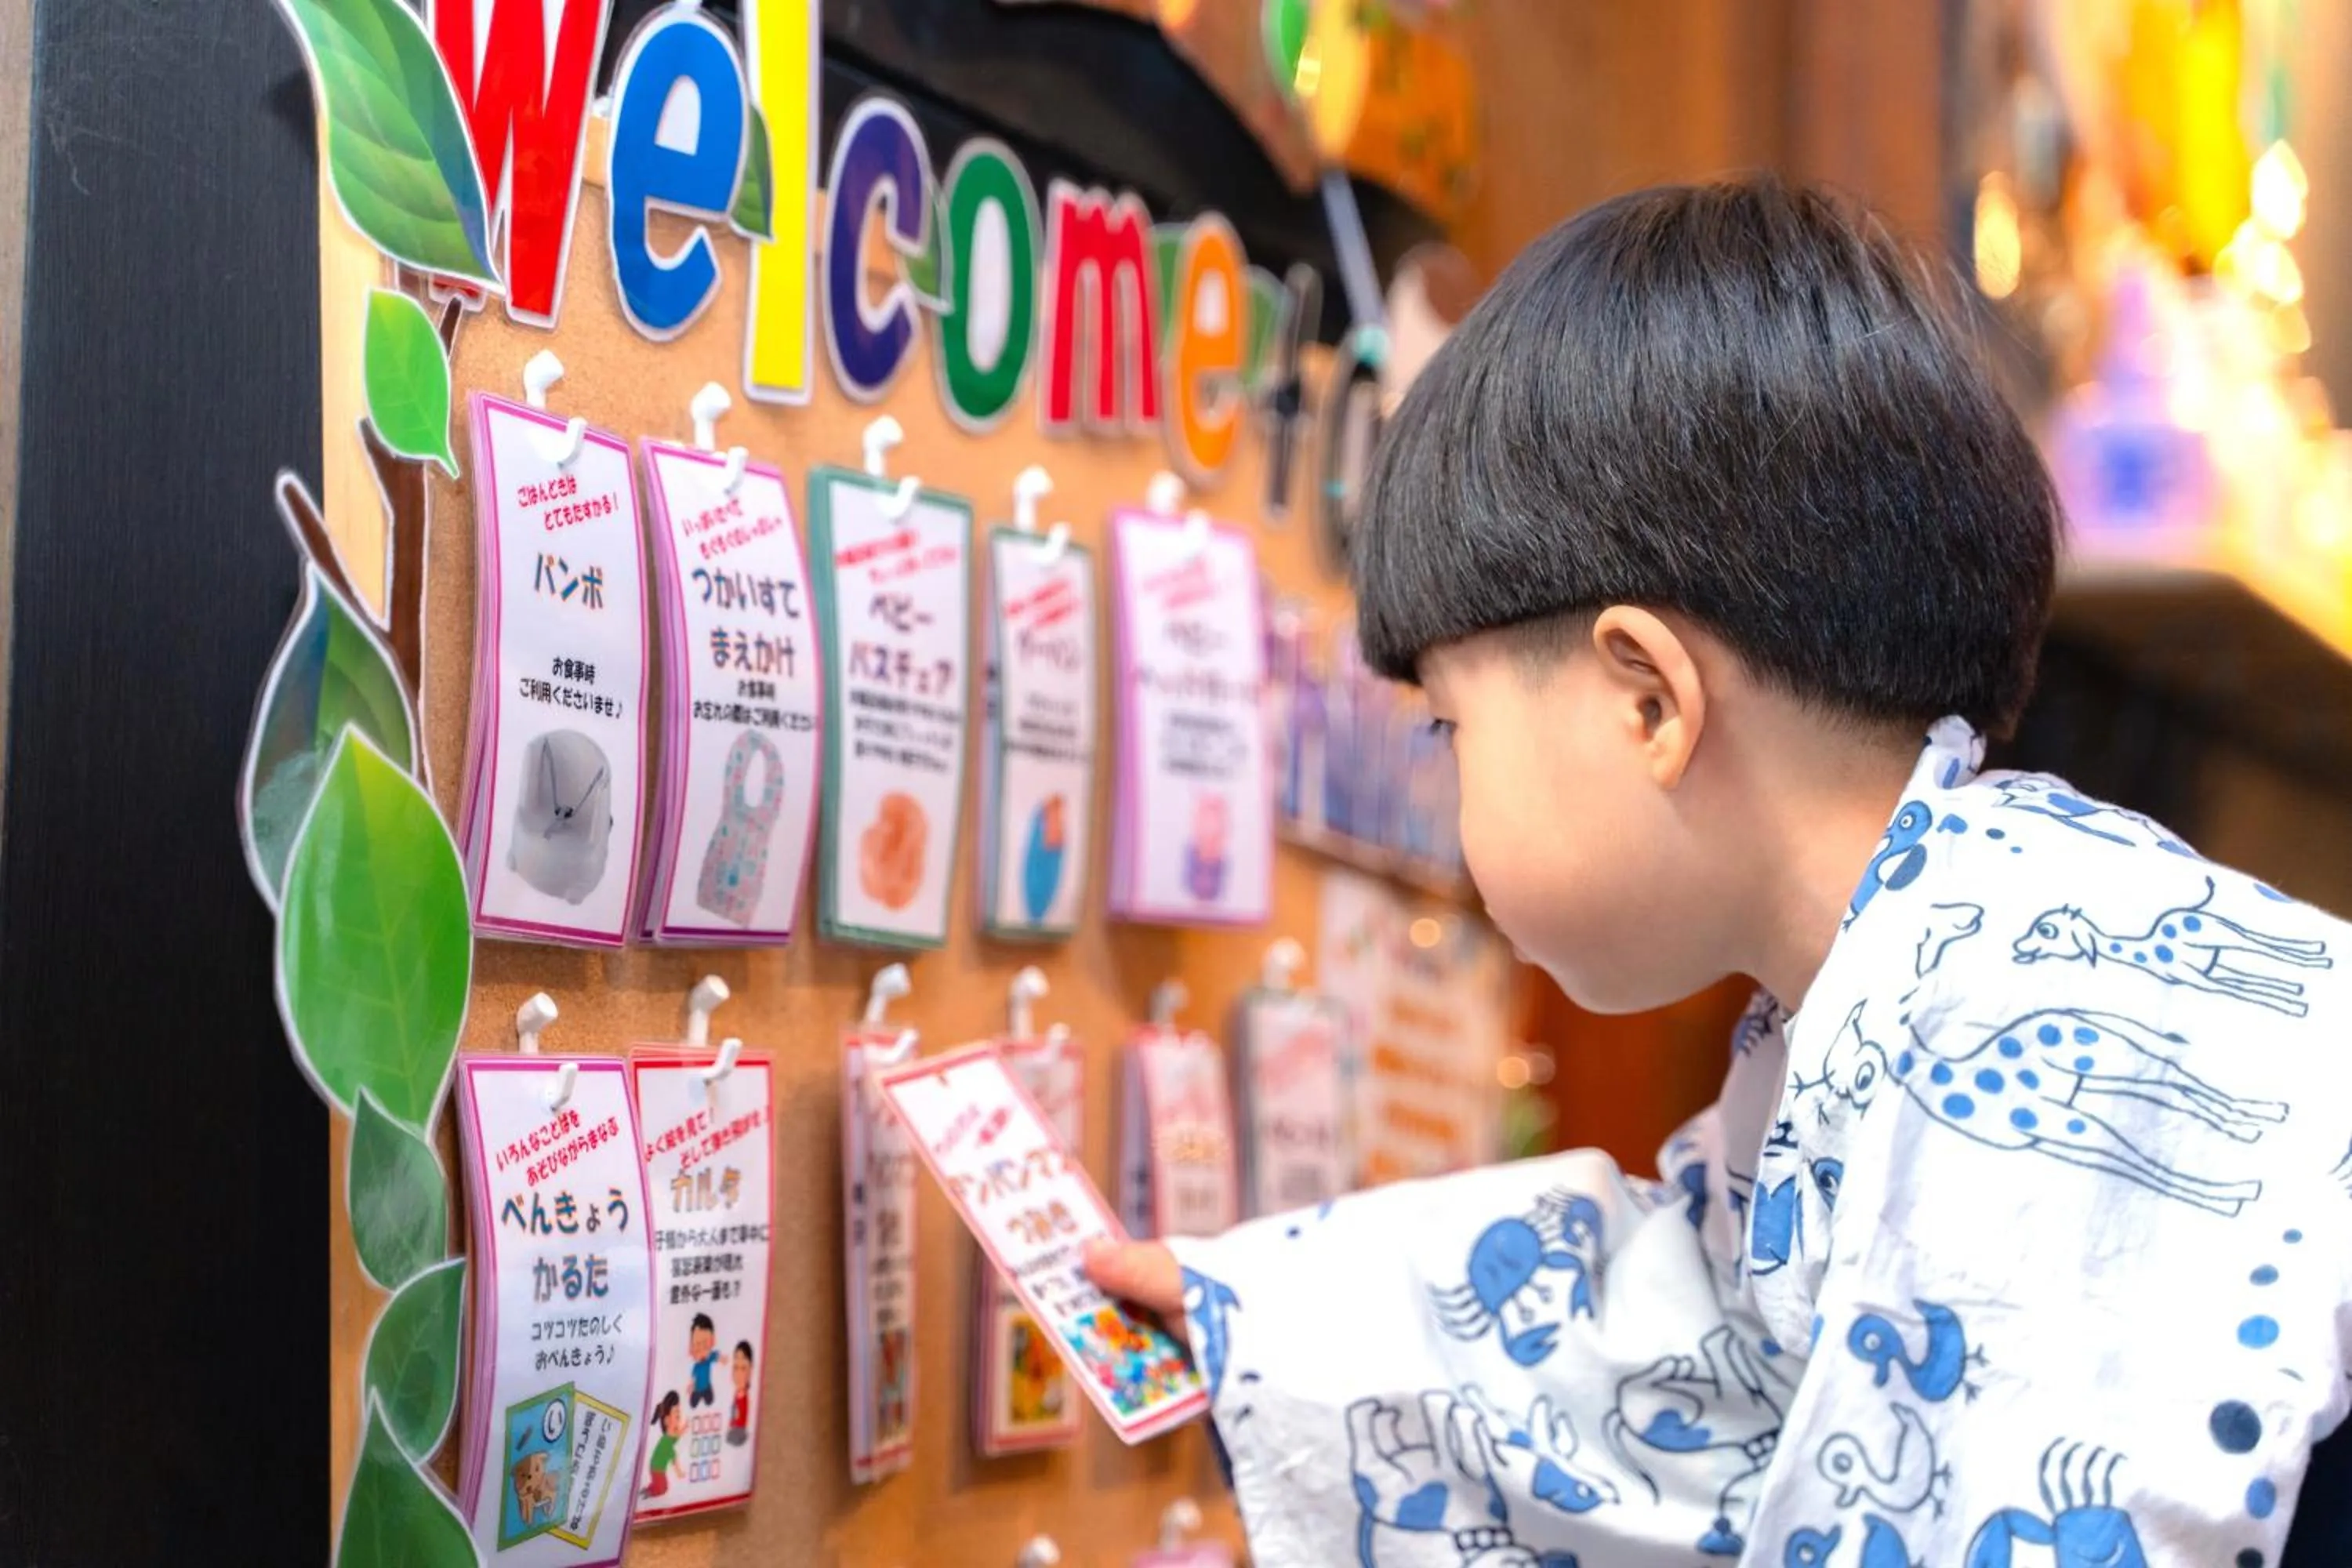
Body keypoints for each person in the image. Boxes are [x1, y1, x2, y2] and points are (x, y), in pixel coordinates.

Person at [1085, 176, 2351, 1566]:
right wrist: (1252, 1316)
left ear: (1649, 702)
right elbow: (1702, 1367)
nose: (1453, 796)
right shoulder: (1956, 949)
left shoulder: (2014, 1034)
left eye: (1453, 728)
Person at [685, 1312, 720, 1409]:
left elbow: (715, 1356)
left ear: (712, 1341)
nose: (700, 1350)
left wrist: (722, 1359)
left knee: (710, 1401)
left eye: (705, 1345)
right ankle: (696, 1397)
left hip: (707, 1387)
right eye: (696, 1345)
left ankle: (705, 1396)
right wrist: (691, 1385)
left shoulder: (709, 1359)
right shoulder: (696, 1366)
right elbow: (693, 1377)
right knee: (693, 1404)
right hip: (697, 1389)